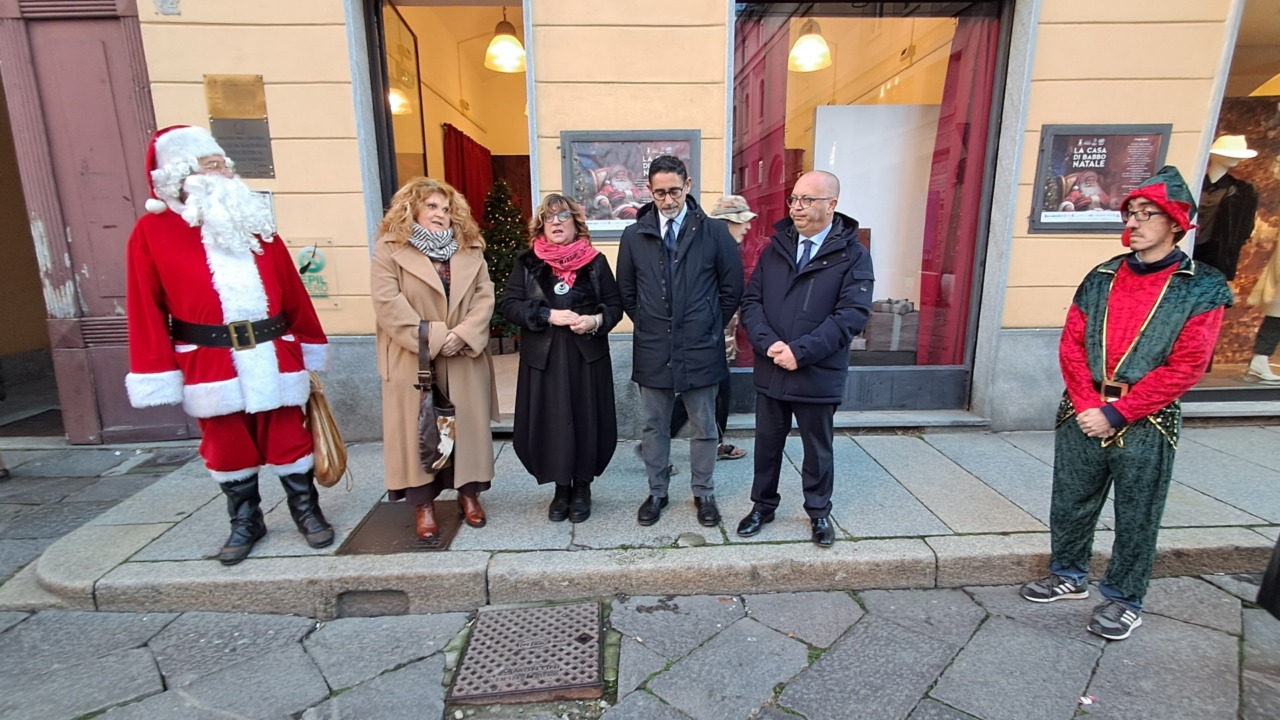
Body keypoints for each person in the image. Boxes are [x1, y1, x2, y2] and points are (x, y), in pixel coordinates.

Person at [1020, 166, 1233, 641]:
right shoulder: (1101, 277)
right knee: (1071, 501)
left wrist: (1117, 412)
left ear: (1176, 222)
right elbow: (1072, 344)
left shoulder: (1201, 285)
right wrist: (1085, 405)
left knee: (1138, 513)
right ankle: (1069, 575)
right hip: (1082, 409)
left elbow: (1187, 366)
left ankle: (1124, 598)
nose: (1133, 223)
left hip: (1146, 419)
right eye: (1131, 213)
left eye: (1146, 214)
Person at [124, 125, 333, 566]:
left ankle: (305, 509)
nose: (225, 173)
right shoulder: (153, 232)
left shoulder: (255, 224)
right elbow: (145, 307)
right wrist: (155, 369)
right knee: (226, 445)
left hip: (274, 349)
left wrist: (310, 343)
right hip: (210, 358)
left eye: (225, 165)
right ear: (180, 175)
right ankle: (245, 519)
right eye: (212, 165)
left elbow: (292, 291)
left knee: (288, 436)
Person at [735, 171, 873, 548]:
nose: (796, 206)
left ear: (832, 204)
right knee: (766, 444)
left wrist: (801, 351)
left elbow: (852, 315)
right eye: (794, 198)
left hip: (816, 371)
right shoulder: (776, 248)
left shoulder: (853, 255)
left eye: (807, 200)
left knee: (817, 448)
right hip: (773, 367)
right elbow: (752, 303)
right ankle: (762, 505)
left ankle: (818, 511)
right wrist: (770, 345)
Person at [617, 155, 743, 528]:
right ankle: (657, 491)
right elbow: (627, 291)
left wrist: (706, 324)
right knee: (654, 425)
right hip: (654, 346)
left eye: (674, 190)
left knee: (703, 425)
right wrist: (650, 325)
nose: (668, 199)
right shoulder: (634, 235)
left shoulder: (714, 232)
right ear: (649, 192)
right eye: (659, 193)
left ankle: (703, 492)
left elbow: (731, 287)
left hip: (701, 345)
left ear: (687, 186)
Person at [371, 178, 499, 541]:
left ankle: (468, 495)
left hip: (463, 355)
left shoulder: (470, 248)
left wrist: (465, 335)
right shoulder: (389, 249)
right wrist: (440, 338)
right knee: (420, 432)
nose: (440, 214)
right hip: (413, 357)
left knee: (467, 430)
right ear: (412, 208)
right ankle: (424, 505)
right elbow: (388, 305)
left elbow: (483, 297)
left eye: (445, 208)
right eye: (431, 206)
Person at [503, 194, 623, 522]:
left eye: (563, 216)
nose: (556, 223)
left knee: (586, 419)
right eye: (549, 217)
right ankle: (560, 488)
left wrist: (595, 321)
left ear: (576, 222)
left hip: (586, 357)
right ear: (541, 225)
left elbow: (615, 307)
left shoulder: (595, 262)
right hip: (543, 359)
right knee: (552, 422)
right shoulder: (527, 262)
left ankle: (582, 487)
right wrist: (545, 315)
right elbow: (510, 306)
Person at [669, 194, 758, 461]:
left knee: (719, 392)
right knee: (695, 395)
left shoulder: (727, 246)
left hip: (722, 336)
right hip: (708, 337)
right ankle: (656, 444)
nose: (748, 226)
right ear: (725, 222)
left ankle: (716, 443)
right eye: (741, 221)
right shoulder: (708, 248)